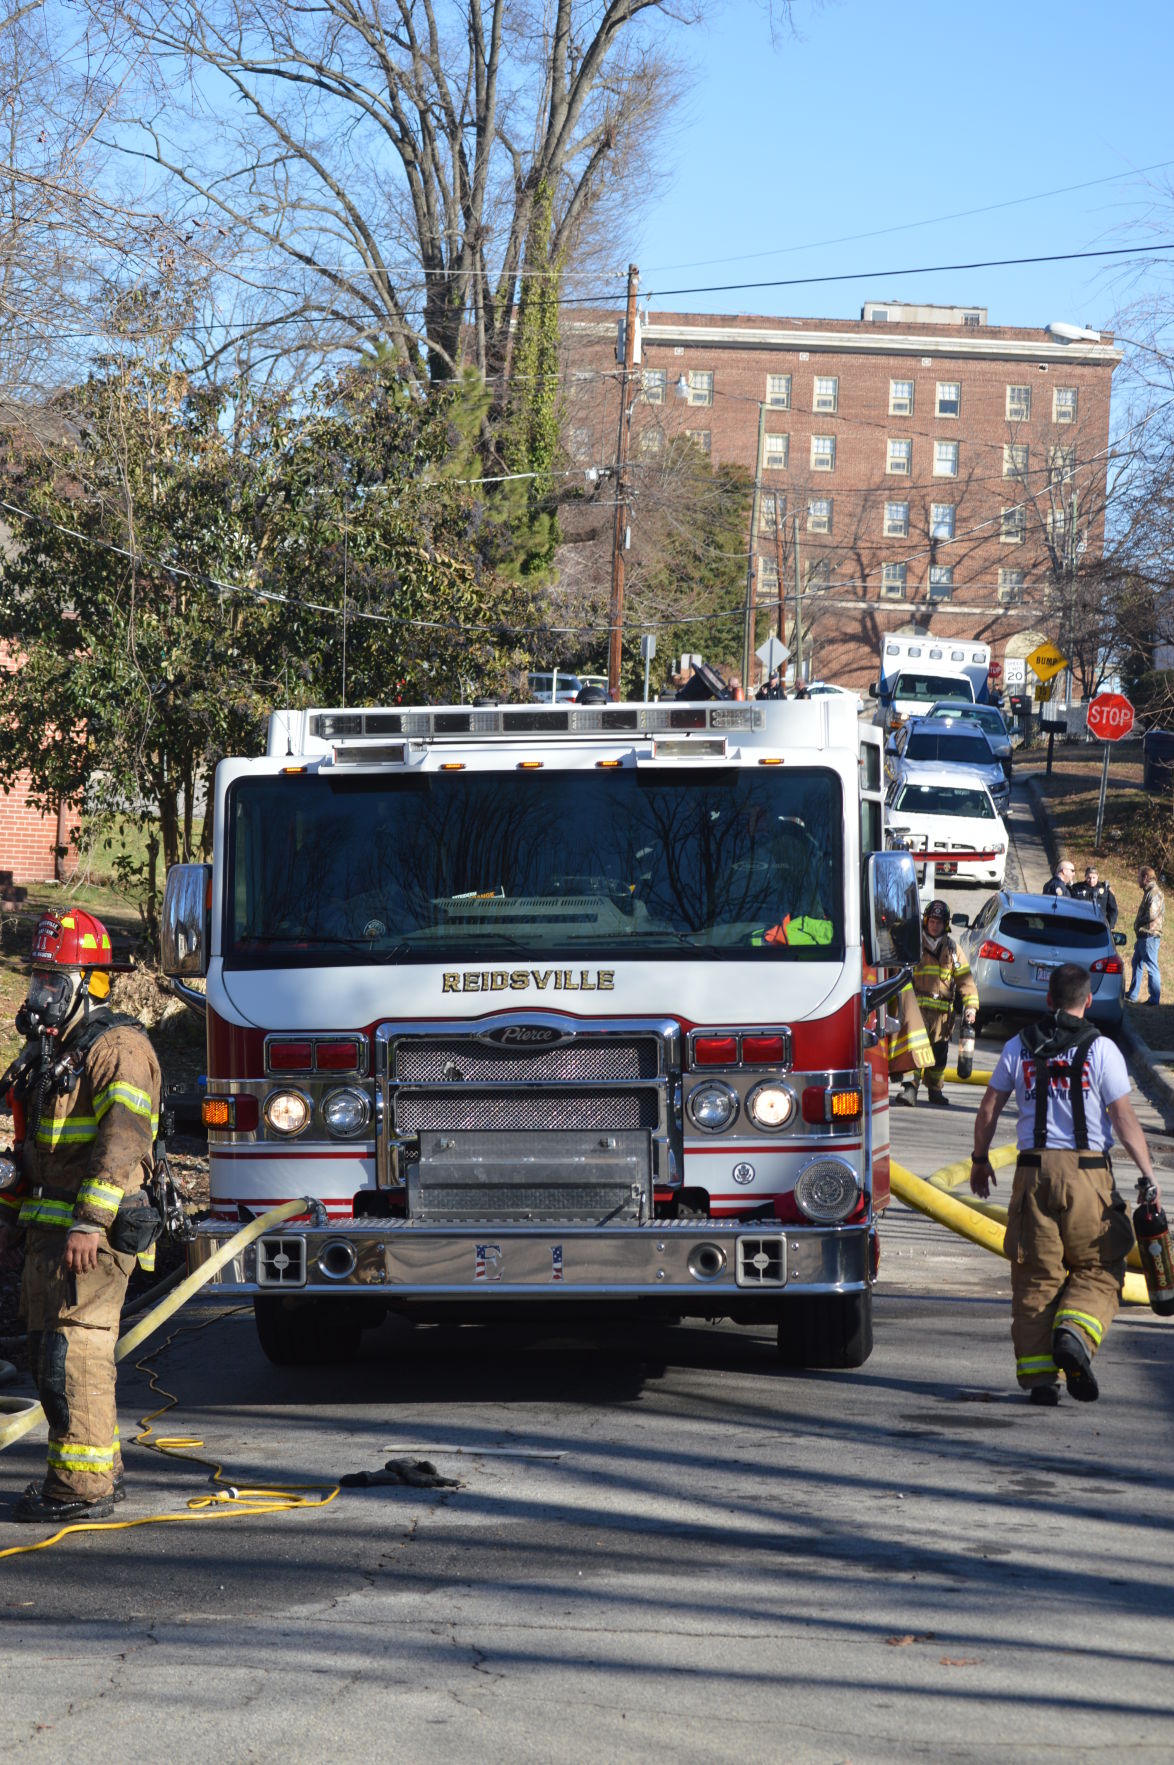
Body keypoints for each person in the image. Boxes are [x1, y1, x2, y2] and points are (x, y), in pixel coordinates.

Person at [0, 911, 162, 1523]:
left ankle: (80, 1489)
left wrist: (91, 1221)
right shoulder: (54, 1051)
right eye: (37, 979)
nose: (40, 993)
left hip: (94, 1234)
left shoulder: (119, 1049)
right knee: (51, 1353)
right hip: (50, 1232)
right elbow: (33, 1148)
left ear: (90, 983)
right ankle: (97, 1471)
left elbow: (124, 1141)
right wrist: (10, 1217)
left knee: (76, 1353)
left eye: (53, 980)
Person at [969, 962, 1156, 1405]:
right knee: (1101, 1265)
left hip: (1032, 1176)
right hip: (1088, 1177)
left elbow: (989, 1107)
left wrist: (979, 1160)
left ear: (1048, 999)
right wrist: (1148, 1176)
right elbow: (1123, 1119)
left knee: (1036, 1274)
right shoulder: (1102, 1050)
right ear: (1087, 1001)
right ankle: (1073, 1334)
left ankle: (1040, 1380)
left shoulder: (1018, 1045)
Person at [897, 900, 978, 1107]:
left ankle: (935, 1090)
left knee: (939, 1055)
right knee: (915, 1050)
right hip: (917, 1011)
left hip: (942, 1016)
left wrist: (971, 1007)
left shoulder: (953, 949)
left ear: (946, 924)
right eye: (932, 921)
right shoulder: (914, 945)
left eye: (939, 922)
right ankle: (909, 1089)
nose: (934, 926)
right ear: (926, 921)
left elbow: (965, 980)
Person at [1125, 865, 1164, 1005]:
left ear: (1145, 877)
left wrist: (1139, 923)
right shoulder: (1149, 891)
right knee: (1136, 962)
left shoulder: (1154, 892)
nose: (1137, 880)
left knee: (1152, 967)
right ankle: (1133, 994)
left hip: (1150, 935)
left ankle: (1154, 999)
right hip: (1143, 935)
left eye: (1138, 877)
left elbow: (1152, 914)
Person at [1072, 865, 1118, 931]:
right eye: (1089, 878)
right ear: (1085, 876)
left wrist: (1111, 926)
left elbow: (1113, 909)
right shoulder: (1077, 888)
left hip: (1100, 925)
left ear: (1098, 876)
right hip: (1081, 924)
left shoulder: (1105, 889)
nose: (1091, 880)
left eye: (1094, 877)